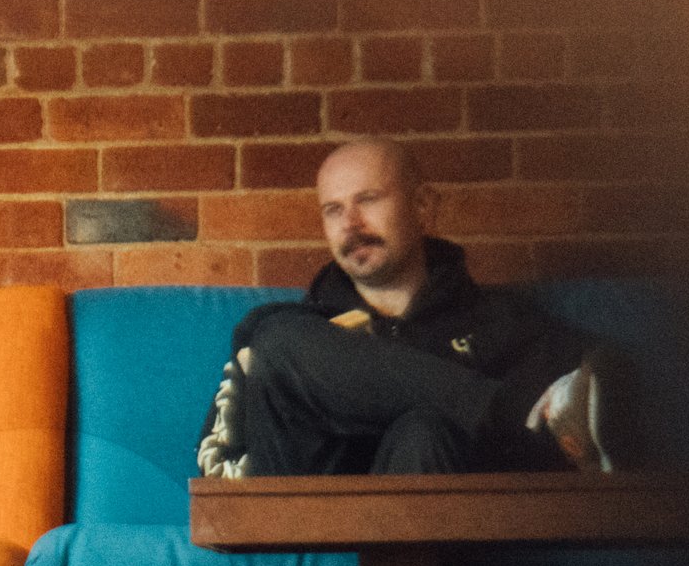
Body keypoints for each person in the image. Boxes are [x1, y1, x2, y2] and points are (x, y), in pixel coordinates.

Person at [197, 137, 627, 480]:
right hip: (300, 520)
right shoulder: (289, 332)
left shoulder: (502, 323)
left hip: (430, 539)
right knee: (279, 337)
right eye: (333, 209)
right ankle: (518, 409)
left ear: (422, 207)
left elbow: (600, 388)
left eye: (368, 199)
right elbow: (218, 466)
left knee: (425, 430)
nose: (350, 223)